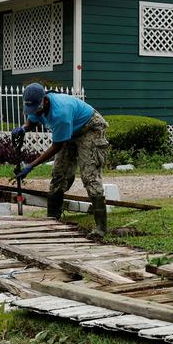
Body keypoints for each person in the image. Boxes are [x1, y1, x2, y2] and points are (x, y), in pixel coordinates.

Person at [12, 83, 111, 238]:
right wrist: (23, 128)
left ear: (44, 101)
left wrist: (30, 166)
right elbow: (32, 120)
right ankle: (52, 220)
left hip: (89, 128)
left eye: (35, 108)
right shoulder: (36, 104)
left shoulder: (60, 113)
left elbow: (57, 146)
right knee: (59, 174)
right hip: (70, 131)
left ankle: (101, 227)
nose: (33, 111)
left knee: (89, 176)